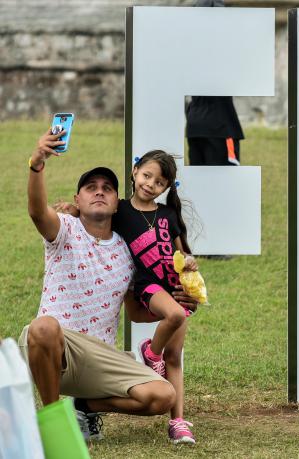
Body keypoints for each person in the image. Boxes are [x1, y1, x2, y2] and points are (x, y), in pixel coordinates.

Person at [22, 128, 197, 443]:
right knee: (44, 327)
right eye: (90, 187)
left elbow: (136, 313)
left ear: (118, 204)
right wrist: (38, 164)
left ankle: (85, 407)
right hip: (56, 347)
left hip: (100, 359)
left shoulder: (127, 252)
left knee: (162, 395)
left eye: (107, 188)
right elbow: (37, 211)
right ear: (77, 199)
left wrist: (178, 303)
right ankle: (53, 423)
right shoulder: (65, 230)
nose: (99, 191)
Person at [185, 0, 244, 167]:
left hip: (194, 125)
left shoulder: (189, 46)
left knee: (201, 184)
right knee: (225, 182)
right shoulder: (225, 47)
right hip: (220, 125)